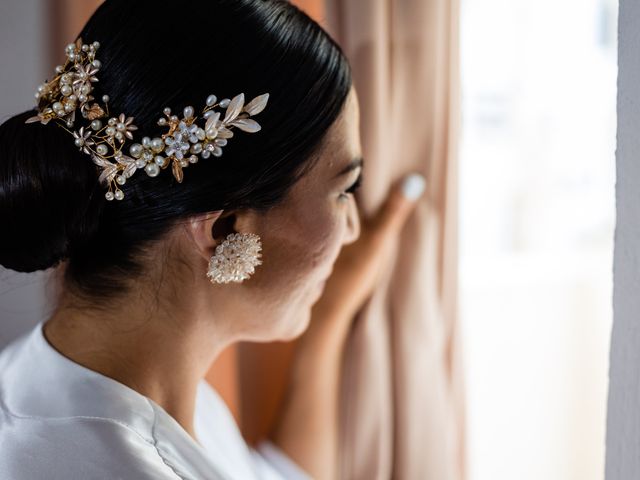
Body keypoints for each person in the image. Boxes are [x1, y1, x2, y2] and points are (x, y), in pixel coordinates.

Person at [0, 0, 426, 478]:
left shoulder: (110, 386)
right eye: (345, 191)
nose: (351, 232)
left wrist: (327, 320)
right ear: (228, 229)